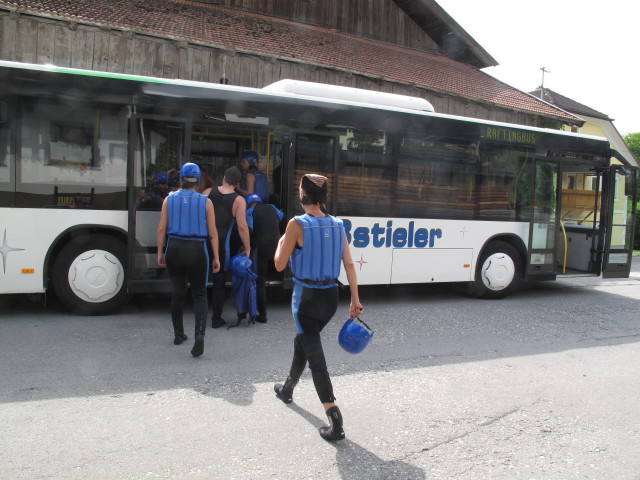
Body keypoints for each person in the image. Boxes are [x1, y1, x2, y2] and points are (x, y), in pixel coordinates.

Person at [273, 173, 363, 442]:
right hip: (330, 298)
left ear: (303, 195)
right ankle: (287, 389)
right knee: (303, 340)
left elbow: (279, 264)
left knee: (316, 359)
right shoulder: (337, 224)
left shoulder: (296, 224)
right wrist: (355, 299)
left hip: (306, 299)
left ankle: (335, 418)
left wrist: (281, 242)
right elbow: (349, 264)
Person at [157, 163, 220, 357]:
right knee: (199, 294)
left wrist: (160, 252)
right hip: (197, 249)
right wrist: (216, 256)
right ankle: (199, 335)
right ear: (198, 180)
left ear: (181, 179)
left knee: (177, 291)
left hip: (174, 248)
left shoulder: (168, 200)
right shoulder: (206, 202)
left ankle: (178, 334)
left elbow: (161, 229)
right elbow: (212, 232)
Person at [203, 166, 251, 329]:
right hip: (222, 246)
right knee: (219, 282)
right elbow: (242, 226)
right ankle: (216, 319)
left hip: (203, 243)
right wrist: (247, 247)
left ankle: (199, 316)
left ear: (224, 178)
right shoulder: (239, 200)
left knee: (200, 280)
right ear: (237, 183)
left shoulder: (207, 192)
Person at [244, 193, 283, 323]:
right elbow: (281, 216)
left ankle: (262, 314)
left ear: (248, 204)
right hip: (276, 246)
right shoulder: (272, 207)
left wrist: (246, 246)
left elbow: (249, 230)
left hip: (260, 247)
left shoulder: (250, 211)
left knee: (259, 280)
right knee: (267, 270)